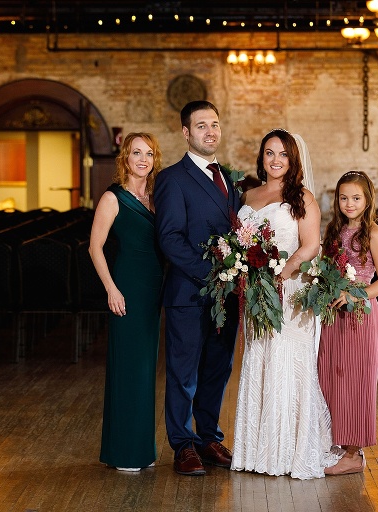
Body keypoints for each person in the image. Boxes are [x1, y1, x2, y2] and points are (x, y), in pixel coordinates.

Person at [230, 129, 341, 480]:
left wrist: (280, 274)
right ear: (261, 158)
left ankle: (289, 450)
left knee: (287, 361)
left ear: (293, 160)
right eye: (269, 153)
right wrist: (245, 272)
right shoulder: (248, 194)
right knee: (258, 358)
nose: (275, 160)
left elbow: (310, 245)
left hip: (289, 291)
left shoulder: (301, 196)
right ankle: (257, 450)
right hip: (255, 291)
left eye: (283, 154)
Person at [154, 100, 241, 476]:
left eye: (215, 125)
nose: (211, 132)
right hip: (190, 293)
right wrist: (213, 273)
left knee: (217, 371)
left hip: (228, 297)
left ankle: (208, 438)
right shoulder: (172, 178)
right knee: (184, 372)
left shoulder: (229, 180)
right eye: (202, 126)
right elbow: (170, 238)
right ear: (186, 133)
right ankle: (183, 445)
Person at [88, 132, 165, 472]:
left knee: (146, 369)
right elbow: (95, 247)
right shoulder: (112, 197)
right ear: (125, 157)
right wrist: (111, 289)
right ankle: (125, 453)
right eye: (136, 152)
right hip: (127, 287)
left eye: (149, 153)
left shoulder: (156, 198)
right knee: (129, 367)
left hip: (153, 287)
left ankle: (141, 450)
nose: (143, 159)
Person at [318, 170, 378, 475]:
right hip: (333, 316)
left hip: (361, 318)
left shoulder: (373, 233)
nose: (349, 203)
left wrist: (355, 296)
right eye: (344, 197)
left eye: (356, 198)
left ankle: (354, 453)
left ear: (367, 200)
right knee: (329, 377)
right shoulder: (332, 231)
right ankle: (337, 441)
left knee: (357, 384)